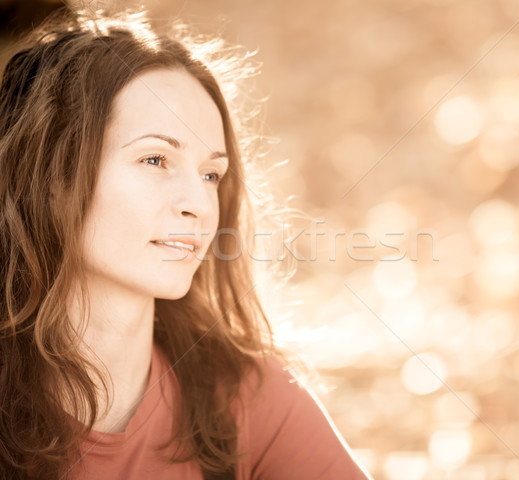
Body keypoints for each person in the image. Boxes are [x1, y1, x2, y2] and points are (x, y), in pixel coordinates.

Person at [0, 6, 373, 480]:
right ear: (52, 175)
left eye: (211, 174)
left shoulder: (249, 401)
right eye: (155, 159)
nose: (198, 203)